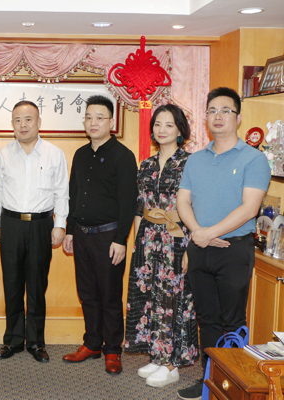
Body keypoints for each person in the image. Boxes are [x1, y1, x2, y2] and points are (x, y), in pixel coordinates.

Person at [176, 87, 271, 400]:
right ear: (205, 117)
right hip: (199, 248)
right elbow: (183, 202)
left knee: (232, 321)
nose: (218, 116)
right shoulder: (195, 160)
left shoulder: (254, 159)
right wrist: (198, 233)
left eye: (226, 110)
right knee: (207, 320)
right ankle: (209, 380)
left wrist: (208, 232)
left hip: (234, 250)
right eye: (212, 110)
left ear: (238, 118)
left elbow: (249, 208)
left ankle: (233, 385)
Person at [124, 104, 198, 388]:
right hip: (147, 237)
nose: (162, 130)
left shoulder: (191, 163)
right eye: (157, 124)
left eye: (169, 124)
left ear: (180, 129)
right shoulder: (146, 164)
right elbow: (139, 205)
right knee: (150, 298)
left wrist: (192, 247)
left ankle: (171, 364)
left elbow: (198, 206)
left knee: (173, 300)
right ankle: (157, 355)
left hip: (177, 237)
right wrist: (136, 242)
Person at [63, 95, 138, 375]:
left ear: (111, 122)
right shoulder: (80, 154)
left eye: (100, 117)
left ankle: (112, 349)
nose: (93, 122)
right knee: (87, 293)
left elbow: (128, 202)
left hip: (109, 237)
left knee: (109, 295)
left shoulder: (123, 156)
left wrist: (120, 239)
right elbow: (73, 196)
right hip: (81, 235)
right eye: (89, 117)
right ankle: (92, 343)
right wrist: (70, 230)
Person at [0, 100, 69, 363]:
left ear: (39, 122)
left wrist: (60, 225)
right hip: (10, 224)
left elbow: (62, 193)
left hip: (41, 225)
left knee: (36, 285)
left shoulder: (54, 154)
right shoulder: (3, 154)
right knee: (12, 284)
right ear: (12, 124)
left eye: (28, 119)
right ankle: (13, 340)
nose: (22, 125)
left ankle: (36, 342)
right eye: (17, 120)